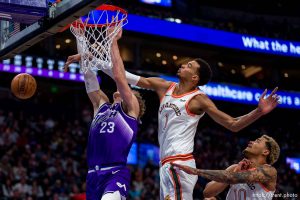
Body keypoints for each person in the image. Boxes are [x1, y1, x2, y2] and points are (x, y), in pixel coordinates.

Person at [66, 31, 279, 200]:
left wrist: (258, 111)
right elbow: (124, 76)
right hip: (165, 163)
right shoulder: (164, 86)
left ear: (195, 77)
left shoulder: (199, 99)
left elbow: (232, 124)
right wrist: (91, 59)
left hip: (180, 161)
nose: (183, 65)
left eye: (188, 66)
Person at [64, 30, 145, 200]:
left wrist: (98, 52)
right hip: (92, 175)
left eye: (130, 92)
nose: (123, 91)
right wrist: (79, 36)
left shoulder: (131, 112)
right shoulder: (101, 106)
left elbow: (121, 79)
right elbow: (89, 76)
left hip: (115, 174)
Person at [172, 135, 280, 200]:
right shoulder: (235, 168)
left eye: (257, 141)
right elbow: (207, 192)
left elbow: (232, 178)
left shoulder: (269, 171)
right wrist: (234, 171)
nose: (251, 141)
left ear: (266, 152)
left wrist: (195, 171)